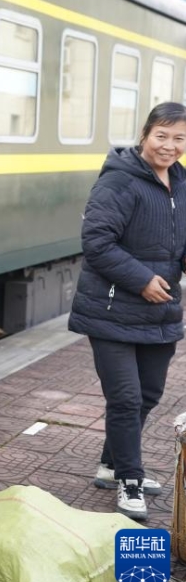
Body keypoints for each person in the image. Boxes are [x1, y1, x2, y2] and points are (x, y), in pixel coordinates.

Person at [68, 101, 186, 521]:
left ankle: (109, 463)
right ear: (145, 134)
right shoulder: (118, 181)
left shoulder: (181, 183)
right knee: (125, 398)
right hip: (113, 310)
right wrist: (141, 279)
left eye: (179, 139)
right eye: (163, 136)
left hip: (161, 312)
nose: (170, 146)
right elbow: (96, 242)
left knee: (149, 396)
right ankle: (129, 479)